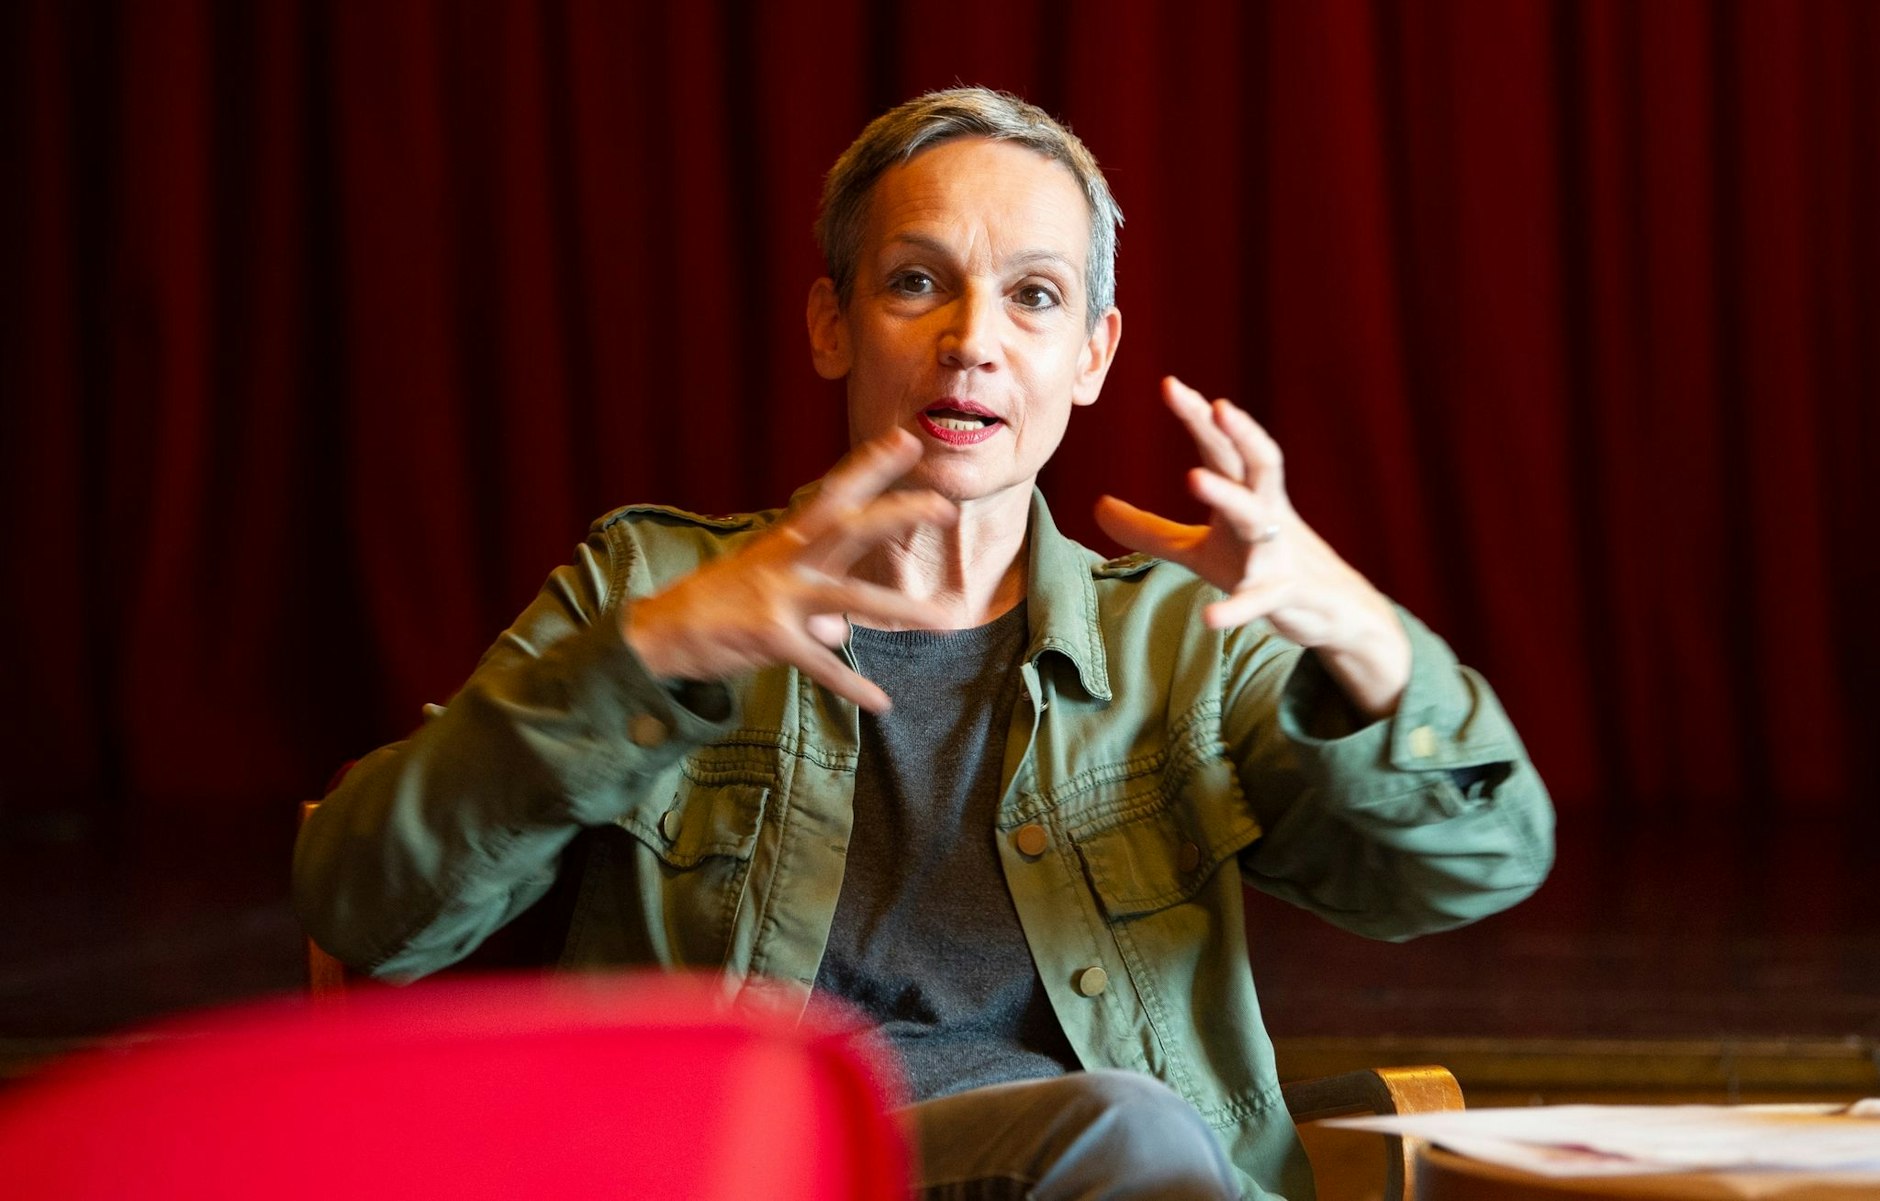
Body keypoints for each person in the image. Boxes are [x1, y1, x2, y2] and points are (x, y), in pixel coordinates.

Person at [294, 86, 1554, 1200]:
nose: (971, 338)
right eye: (915, 281)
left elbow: (1471, 868)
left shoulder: (1181, 641)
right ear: (831, 324)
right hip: (764, 1170)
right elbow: (367, 907)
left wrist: (1351, 624)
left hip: (1096, 1176)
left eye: (1033, 296)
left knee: (1123, 1136)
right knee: (1125, 1136)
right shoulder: (656, 584)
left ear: (1089, 356)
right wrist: (647, 658)